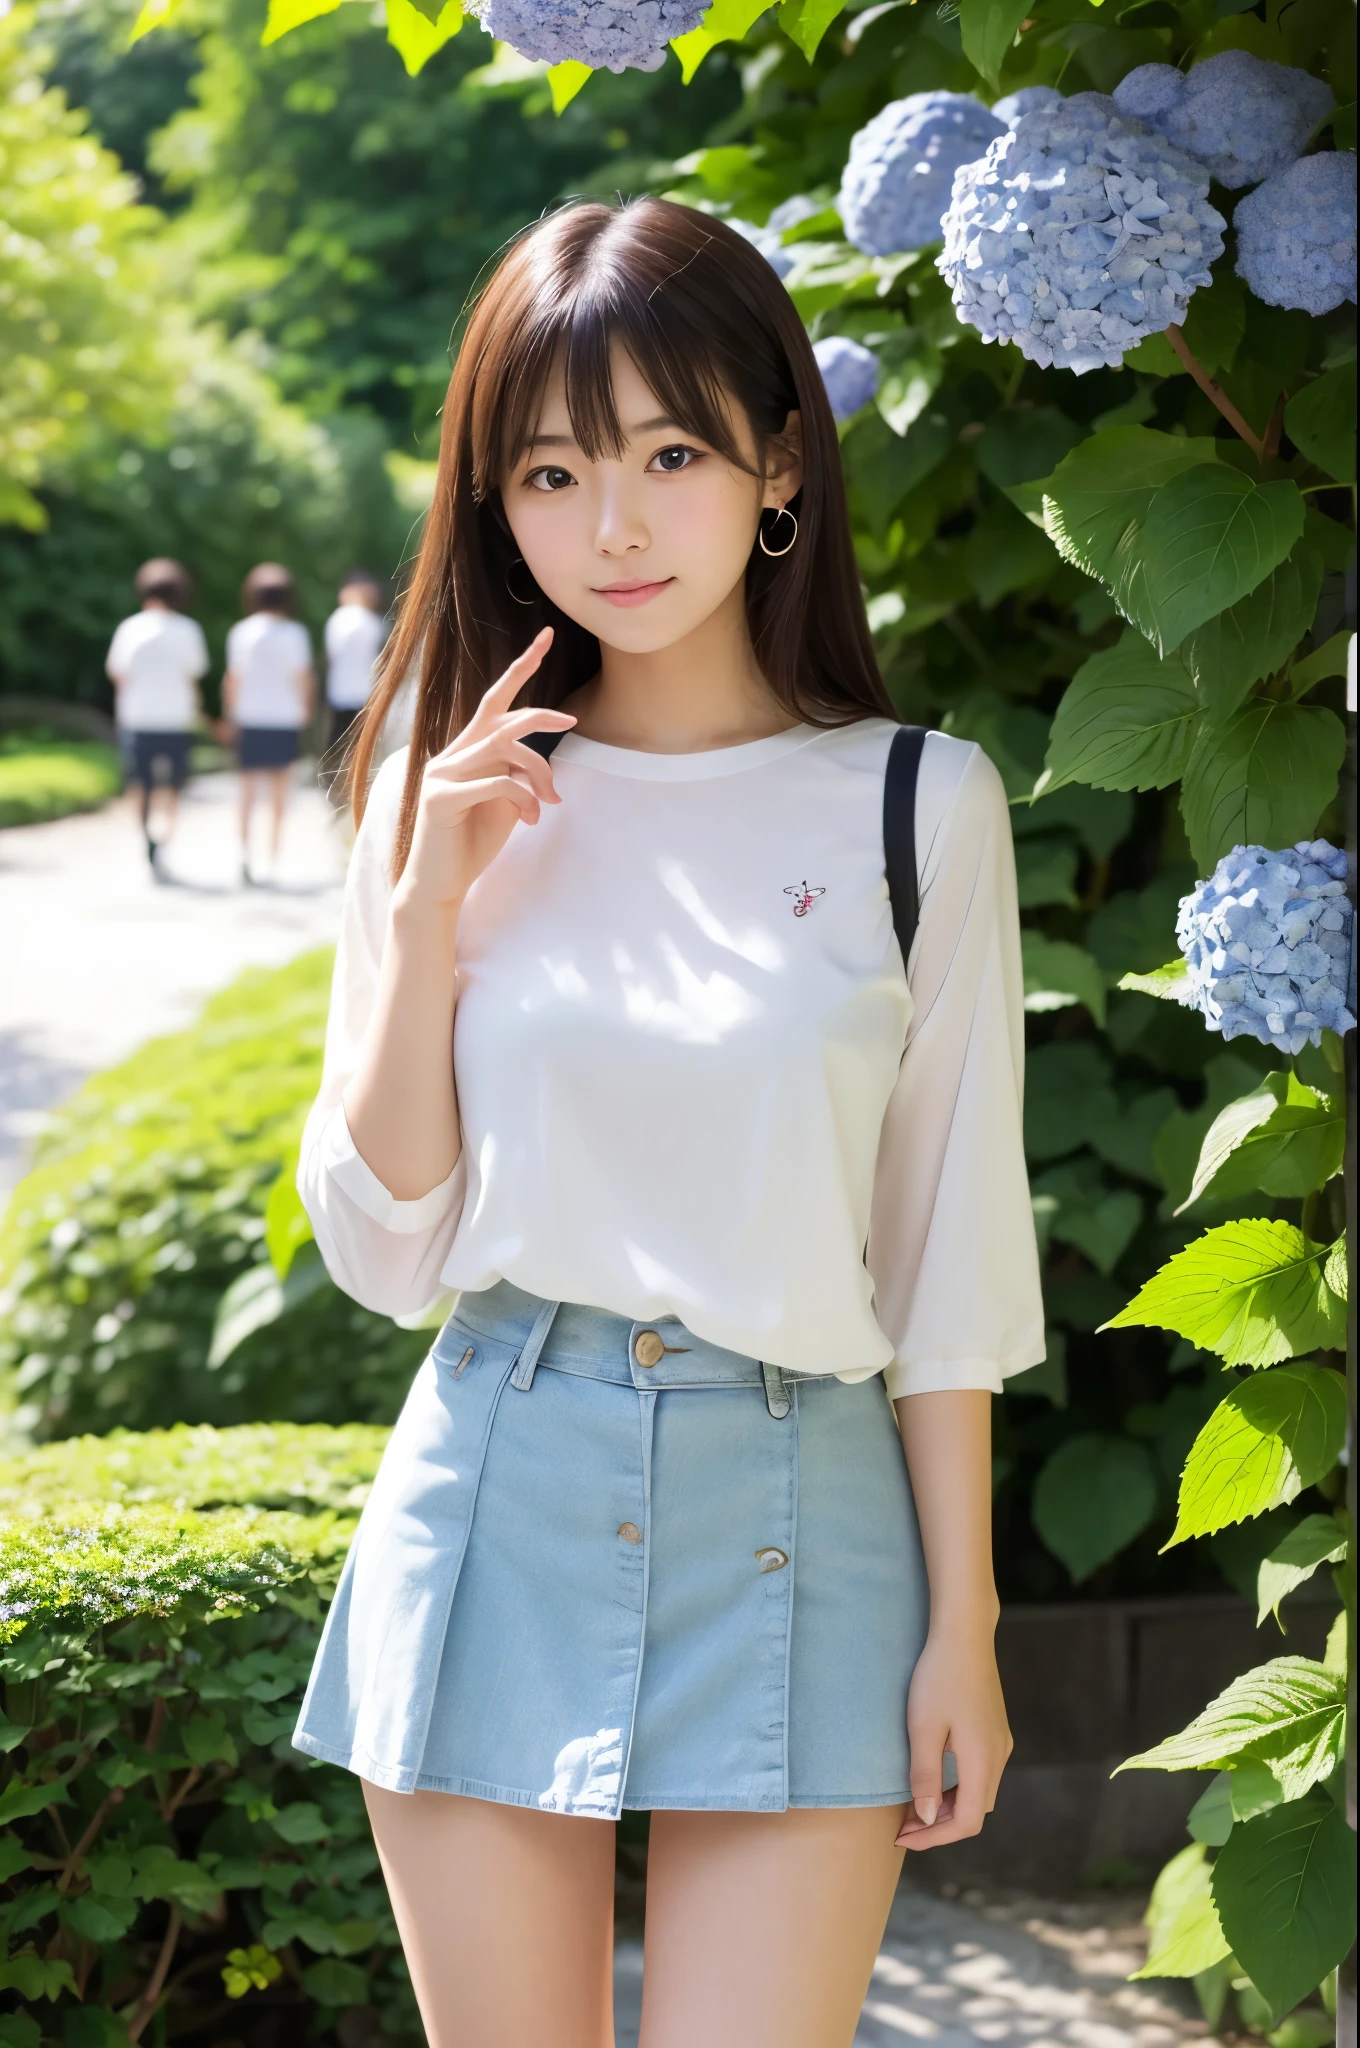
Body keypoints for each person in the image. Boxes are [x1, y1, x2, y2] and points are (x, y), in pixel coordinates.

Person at [292, 198, 1043, 2048]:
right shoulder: (441, 792)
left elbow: (945, 1261)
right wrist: (418, 914)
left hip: (808, 1493)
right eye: (549, 471)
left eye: (671, 452)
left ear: (778, 459)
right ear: (493, 499)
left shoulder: (918, 806)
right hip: (501, 1477)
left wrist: (972, 1627)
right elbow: (384, 1248)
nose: (610, 525)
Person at [105, 558, 209, 876]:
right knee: (173, 785)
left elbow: (118, 674)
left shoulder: (130, 628)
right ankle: (164, 837)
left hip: (137, 717)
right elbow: (194, 676)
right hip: (176, 718)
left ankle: (146, 836)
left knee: (140, 783)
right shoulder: (188, 629)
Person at [222, 563, 315, 885]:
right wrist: (306, 710)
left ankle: (244, 854)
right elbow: (303, 677)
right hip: (284, 718)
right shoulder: (295, 633)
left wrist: (230, 714)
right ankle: (272, 860)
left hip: (250, 717)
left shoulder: (241, 632)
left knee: (247, 790)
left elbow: (232, 679)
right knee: (279, 792)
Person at [324, 571, 388, 753]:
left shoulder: (337, 618)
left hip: (339, 692)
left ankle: (334, 781)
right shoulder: (372, 622)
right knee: (363, 747)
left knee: (338, 746)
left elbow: (331, 656)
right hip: (367, 693)